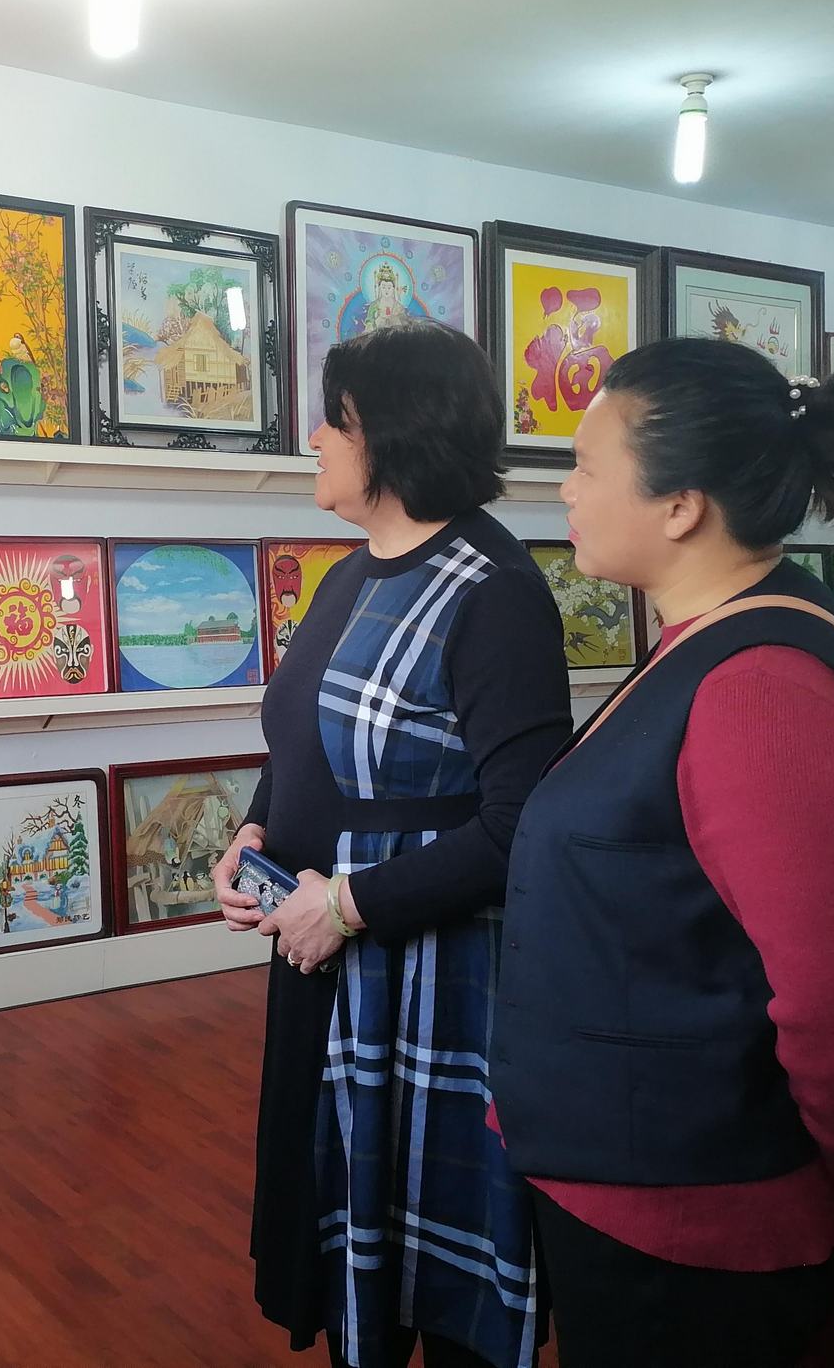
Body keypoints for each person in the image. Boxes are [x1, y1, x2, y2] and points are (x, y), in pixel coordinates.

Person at [491, 340, 834, 1368]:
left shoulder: (759, 690)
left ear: (681, 505)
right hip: (625, 1189)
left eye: (586, 465)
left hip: (691, 1232)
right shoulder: (701, 639)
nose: (565, 489)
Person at [210, 320, 572, 1368]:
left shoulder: (493, 592)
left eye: (337, 419)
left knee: (434, 1273)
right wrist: (254, 828)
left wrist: (347, 904)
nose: (315, 439)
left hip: (427, 985)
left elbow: (520, 822)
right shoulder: (348, 574)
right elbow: (299, 739)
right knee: (345, 1244)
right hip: (319, 965)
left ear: (396, 433)